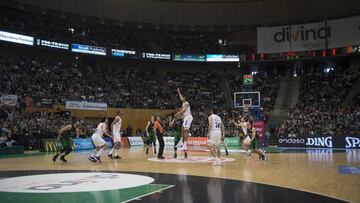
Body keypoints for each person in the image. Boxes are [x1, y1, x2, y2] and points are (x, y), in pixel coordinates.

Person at [175, 88, 193, 153]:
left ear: (185, 98)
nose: (182, 98)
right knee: (182, 129)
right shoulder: (183, 102)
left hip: (188, 117)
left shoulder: (186, 103)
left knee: (185, 131)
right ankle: (181, 141)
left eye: (183, 97)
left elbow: (184, 110)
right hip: (186, 118)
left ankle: (185, 145)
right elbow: (181, 97)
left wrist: (178, 113)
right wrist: (179, 92)